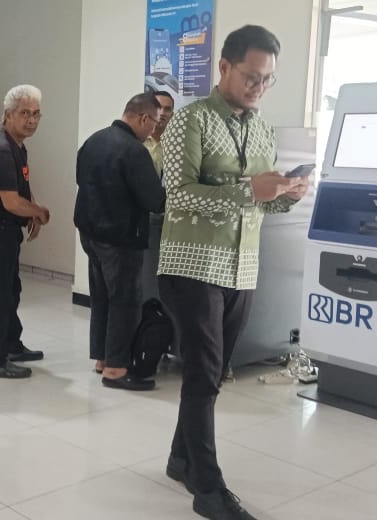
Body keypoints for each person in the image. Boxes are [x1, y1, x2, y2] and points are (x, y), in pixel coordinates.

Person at [157, 26, 309, 520]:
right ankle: (208, 488)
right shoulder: (191, 119)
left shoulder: (263, 129)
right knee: (203, 374)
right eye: (251, 76)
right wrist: (249, 191)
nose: (259, 87)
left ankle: (180, 459)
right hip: (192, 263)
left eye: (267, 79)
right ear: (224, 67)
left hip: (242, 267)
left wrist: (287, 195)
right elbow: (178, 194)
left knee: (214, 373)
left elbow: (263, 206)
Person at [74, 93, 167, 391]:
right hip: (120, 238)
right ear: (142, 118)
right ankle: (116, 369)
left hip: (90, 234)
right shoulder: (134, 151)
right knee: (125, 301)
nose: (153, 130)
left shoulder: (94, 140)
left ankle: (102, 358)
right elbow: (154, 199)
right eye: (154, 123)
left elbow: (81, 180)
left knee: (102, 296)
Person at [0, 84, 50, 379]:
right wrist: (39, 213)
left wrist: (32, 209)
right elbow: (11, 202)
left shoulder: (17, 145)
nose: (31, 120)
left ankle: (11, 345)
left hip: (7, 230)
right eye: (24, 113)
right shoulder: (2, 150)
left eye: (36, 114)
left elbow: (22, 191)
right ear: (8, 115)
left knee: (11, 290)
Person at [140, 90, 176, 303]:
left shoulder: (177, 143)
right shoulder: (137, 141)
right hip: (142, 215)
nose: (162, 113)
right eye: (158, 108)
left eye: (167, 109)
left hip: (170, 217)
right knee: (145, 270)